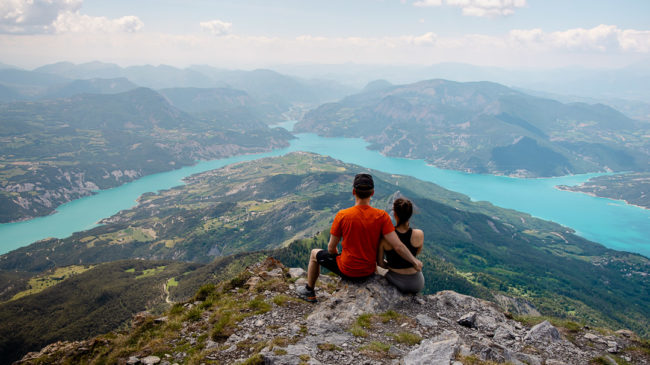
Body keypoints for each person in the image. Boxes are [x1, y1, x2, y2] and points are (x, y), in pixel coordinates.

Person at [296, 173, 423, 303]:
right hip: (368, 271)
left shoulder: (343, 215)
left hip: (347, 269)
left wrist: (337, 257)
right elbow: (398, 245)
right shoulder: (382, 216)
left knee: (314, 254)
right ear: (372, 193)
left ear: (353, 192)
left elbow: (331, 247)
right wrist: (414, 261)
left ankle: (309, 291)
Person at [377, 197, 425, 294]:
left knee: (376, 268)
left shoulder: (385, 237)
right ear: (410, 215)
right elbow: (417, 252)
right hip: (417, 283)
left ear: (395, 214)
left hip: (397, 282)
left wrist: (391, 266)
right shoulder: (419, 234)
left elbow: (380, 263)